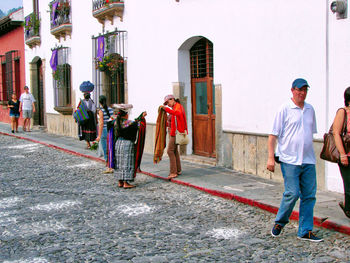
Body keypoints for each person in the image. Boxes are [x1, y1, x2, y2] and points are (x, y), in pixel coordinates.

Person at [267, 78, 323, 242]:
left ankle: (305, 231)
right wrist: (271, 158)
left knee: (309, 195)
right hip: (289, 159)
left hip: (307, 160)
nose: (302, 93)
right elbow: (272, 136)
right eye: (299, 90)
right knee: (292, 193)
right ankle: (280, 222)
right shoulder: (284, 109)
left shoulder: (310, 109)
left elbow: (309, 134)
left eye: (305, 90)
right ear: (292, 90)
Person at [114, 104, 147, 188]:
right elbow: (139, 124)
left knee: (119, 162)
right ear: (126, 114)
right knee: (126, 162)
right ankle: (126, 183)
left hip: (118, 143)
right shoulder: (129, 123)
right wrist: (142, 117)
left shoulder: (116, 122)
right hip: (127, 144)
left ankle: (120, 181)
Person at [332, 87, 350, 219]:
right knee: (349, 184)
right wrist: (343, 154)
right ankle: (348, 209)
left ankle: (347, 206)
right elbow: (336, 133)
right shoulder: (343, 112)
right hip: (346, 154)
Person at [160, 94, 188, 179]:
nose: (167, 104)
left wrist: (166, 109)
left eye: (167, 102)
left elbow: (177, 113)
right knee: (174, 151)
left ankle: (173, 172)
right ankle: (178, 170)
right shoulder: (175, 107)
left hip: (175, 133)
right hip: (174, 132)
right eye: (166, 103)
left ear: (172, 99)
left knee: (170, 151)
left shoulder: (177, 107)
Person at [95, 95, 114, 173]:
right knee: (110, 148)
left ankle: (109, 166)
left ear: (100, 102)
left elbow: (101, 123)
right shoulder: (111, 109)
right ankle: (111, 165)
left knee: (105, 149)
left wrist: (99, 135)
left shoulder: (101, 111)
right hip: (111, 130)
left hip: (104, 130)